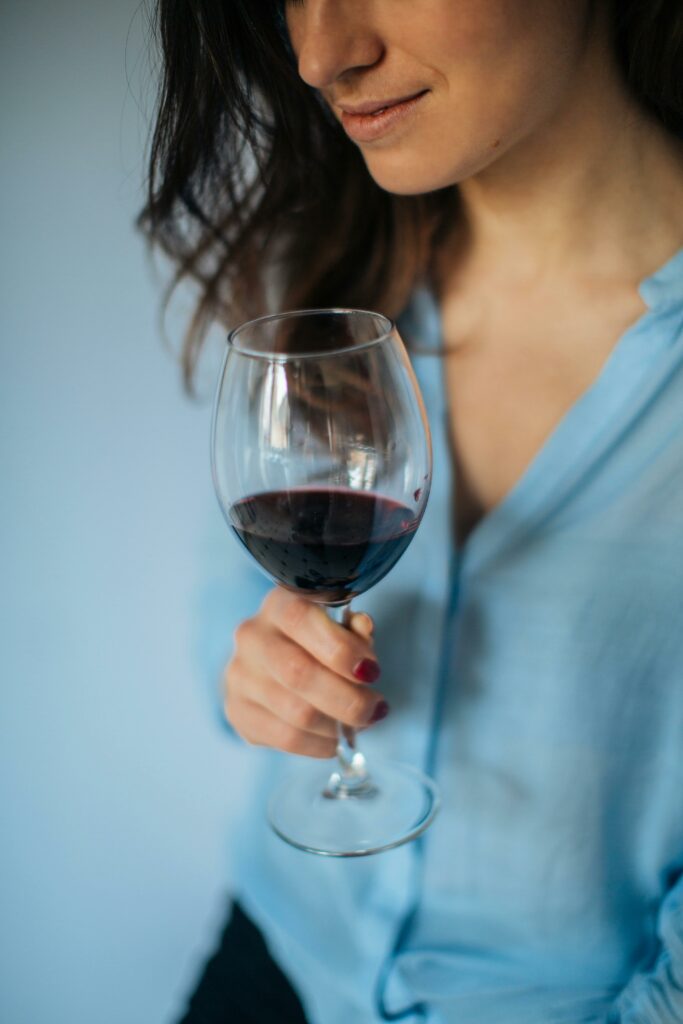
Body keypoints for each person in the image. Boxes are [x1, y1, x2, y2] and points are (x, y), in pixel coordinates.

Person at [138, 2, 683, 1022]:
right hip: (277, 960)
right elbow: (227, 635)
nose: (318, 54)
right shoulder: (325, 277)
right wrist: (261, 678)